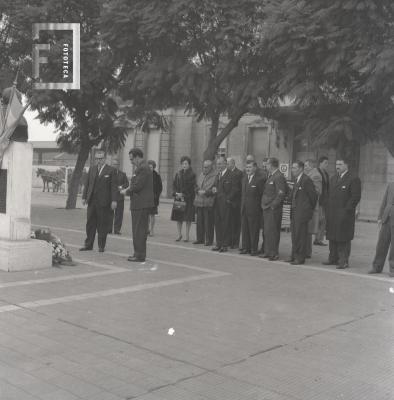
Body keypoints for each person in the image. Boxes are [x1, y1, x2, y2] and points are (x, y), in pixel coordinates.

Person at [324, 159, 361, 269]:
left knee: (343, 238)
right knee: (332, 236)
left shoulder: (353, 179)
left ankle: (343, 261)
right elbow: (328, 195)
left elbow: (355, 197)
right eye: (336, 164)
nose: (337, 166)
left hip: (345, 214)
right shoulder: (333, 178)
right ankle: (333, 258)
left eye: (340, 164)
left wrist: (346, 210)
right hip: (332, 213)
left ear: (346, 165)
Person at [80, 150, 117, 253]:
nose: (99, 161)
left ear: (105, 159)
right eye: (97, 159)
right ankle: (88, 245)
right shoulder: (91, 169)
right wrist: (84, 197)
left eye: (101, 158)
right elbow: (87, 184)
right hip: (92, 201)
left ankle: (101, 246)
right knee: (90, 224)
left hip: (104, 202)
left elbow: (114, 187)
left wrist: (114, 200)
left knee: (102, 224)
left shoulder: (111, 170)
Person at [120, 148, 154, 262]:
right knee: (138, 230)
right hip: (139, 204)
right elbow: (136, 184)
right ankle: (138, 253)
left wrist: (126, 191)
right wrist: (128, 189)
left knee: (139, 230)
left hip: (141, 204)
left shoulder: (143, 168)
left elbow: (138, 185)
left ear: (137, 157)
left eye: (131, 159)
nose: (131, 162)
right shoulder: (142, 168)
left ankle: (139, 255)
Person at [287, 161, 318, 265]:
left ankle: (300, 258)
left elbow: (313, 196)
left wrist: (308, 209)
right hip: (295, 212)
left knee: (301, 236)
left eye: (294, 168)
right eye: (292, 168)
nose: (292, 170)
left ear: (301, 169)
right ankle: (294, 255)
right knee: (295, 235)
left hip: (302, 213)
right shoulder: (297, 179)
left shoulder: (306, 180)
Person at [259, 157, 287, 261]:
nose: (265, 166)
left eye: (267, 164)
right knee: (267, 231)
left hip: (273, 209)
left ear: (271, 165)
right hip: (266, 207)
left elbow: (281, 193)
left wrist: (273, 205)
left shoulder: (278, 176)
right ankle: (267, 251)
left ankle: (273, 253)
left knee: (273, 232)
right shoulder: (271, 175)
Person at [240, 161, 265, 256]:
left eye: (250, 167)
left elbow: (261, 195)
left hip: (254, 210)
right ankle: (246, 248)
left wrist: (259, 208)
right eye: (246, 167)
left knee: (253, 230)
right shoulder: (244, 179)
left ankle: (253, 249)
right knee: (245, 229)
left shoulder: (259, 179)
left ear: (255, 168)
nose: (247, 169)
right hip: (244, 209)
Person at [369, 183, 394, 277]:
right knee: (381, 244)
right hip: (386, 218)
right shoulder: (391, 185)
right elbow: (384, 201)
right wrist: (380, 216)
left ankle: (393, 269)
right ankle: (376, 266)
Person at [171, 156, 196, 242]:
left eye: (186, 163)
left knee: (188, 218)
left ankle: (187, 236)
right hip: (179, 198)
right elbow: (174, 185)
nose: (184, 165)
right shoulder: (178, 173)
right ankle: (179, 234)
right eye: (183, 164)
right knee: (179, 217)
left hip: (188, 199)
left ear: (189, 164)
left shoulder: (192, 174)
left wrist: (184, 194)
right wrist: (176, 193)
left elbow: (191, 187)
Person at [212, 157, 233, 253]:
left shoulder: (230, 175)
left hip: (225, 204)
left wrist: (228, 200)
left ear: (225, 164)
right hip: (216, 203)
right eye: (217, 164)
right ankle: (218, 243)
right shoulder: (218, 175)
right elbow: (215, 186)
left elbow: (235, 189)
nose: (218, 166)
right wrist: (213, 189)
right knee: (218, 224)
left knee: (225, 224)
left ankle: (225, 245)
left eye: (220, 164)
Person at [193, 160, 216, 246]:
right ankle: (200, 239)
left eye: (206, 167)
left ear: (211, 167)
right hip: (199, 201)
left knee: (208, 223)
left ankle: (209, 240)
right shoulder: (201, 174)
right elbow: (195, 185)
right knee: (199, 222)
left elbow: (215, 189)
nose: (204, 169)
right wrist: (197, 190)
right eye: (203, 167)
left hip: (208, 202)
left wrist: (206, 192)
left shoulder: (215, 175)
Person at [304, 159, 322, 258]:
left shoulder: (315, 175)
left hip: (311, 206)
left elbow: (317, 191)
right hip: (306, 205)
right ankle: (306, 251)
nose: (305, 167)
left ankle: (307, 252)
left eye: (306, 165)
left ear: (311, 166)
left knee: (308, 231)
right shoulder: (308, 174)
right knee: (305, 231)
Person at [110, 159, 129, 235]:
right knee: (110, 214)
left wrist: (121, 187)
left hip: (120, 197)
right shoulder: (109, 173)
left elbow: (127, 183)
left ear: (119, 165)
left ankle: (117, 229)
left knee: (119, 214)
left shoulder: (123, 174)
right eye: (114, 164)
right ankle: (109, 229)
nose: (115, 166)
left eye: (116, 164)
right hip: (111, 197)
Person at [227, 157, 243, 248]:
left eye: (228, 164)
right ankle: (229, 241)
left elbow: (236, 188)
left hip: (235, 202)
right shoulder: (227, 173)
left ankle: (235, 242)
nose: (227, 165)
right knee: (229, 223)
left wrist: (229, 198)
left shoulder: (239, 173)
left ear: (233, 163)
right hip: (228, 201)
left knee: (235, 223)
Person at [315, 156, 330, 245]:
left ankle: (319, 239)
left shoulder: (326, 174)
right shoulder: (317, 172)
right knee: (320, 219)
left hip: (325, 200)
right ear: (320, 163)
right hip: (319, 200)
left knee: (323, 220)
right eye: (325, 163)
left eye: (327, 163)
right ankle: (317, 239)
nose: (327, 165)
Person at [147, 160, 163, 237]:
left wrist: (156, 195)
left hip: (154, 199)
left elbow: (160, 187)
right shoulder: (145, 175)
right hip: (146, 198)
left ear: (153, 167)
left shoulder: (157, 176)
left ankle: (152, 230)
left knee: (152, 215)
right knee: (146, 214)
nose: (150, 168)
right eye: (149, 167)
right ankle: (146, 229)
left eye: (151, 167)